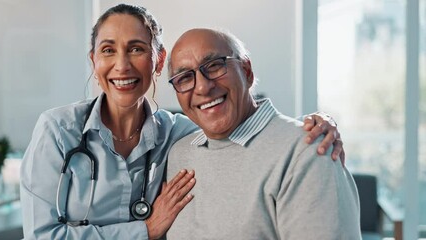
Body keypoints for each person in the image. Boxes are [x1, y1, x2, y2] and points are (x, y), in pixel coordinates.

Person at [20, 4, 345, 240]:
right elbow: (41, 236)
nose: (121, 65)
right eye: (108, 50)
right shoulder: (58, 131)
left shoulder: (179, 134)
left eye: (136, 49)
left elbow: (242, 124)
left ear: (157, 61)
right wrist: (144, 230)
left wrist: (315, 124)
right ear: (94, 60)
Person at [166, 28, 361, 239]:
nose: (203, 87)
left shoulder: (309, 151)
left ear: (247, 71)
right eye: (185, 78)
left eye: (214, 66)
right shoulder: (178, 153)